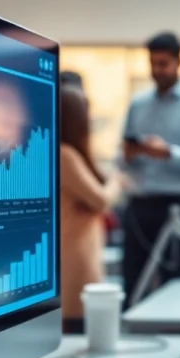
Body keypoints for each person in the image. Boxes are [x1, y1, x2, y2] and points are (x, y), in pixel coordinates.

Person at [119, 32, 180, 304]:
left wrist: (169, 153)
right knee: (133, 283)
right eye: (153, 64)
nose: (157, 70)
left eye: (163, 64)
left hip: (177, 205)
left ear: (178, 62)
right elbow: (122, 157)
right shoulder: (138, 105)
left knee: (175, 287)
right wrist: (130, 154)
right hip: (139, 204)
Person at [59, 85, 124, 333]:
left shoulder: (66, 154)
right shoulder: (64, 155)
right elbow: (101, 200)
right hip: (74, 257)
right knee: (76, 332)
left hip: (78, 252)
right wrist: (116, 181)